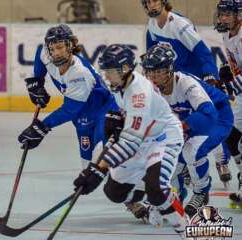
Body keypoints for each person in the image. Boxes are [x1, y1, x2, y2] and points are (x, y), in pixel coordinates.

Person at [72, 44, 187, 235]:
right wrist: (117, 124)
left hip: (163, 137)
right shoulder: (120, 85)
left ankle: (183, 226)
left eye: (110, 71)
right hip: (142, 138)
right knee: (114, 193)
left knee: (157, 190)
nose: (106, 76)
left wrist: (98, 170)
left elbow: (130, 143)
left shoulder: (139, 93)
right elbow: (129, 129)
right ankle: (152, 196)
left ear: (125, 69)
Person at [142, 0, 232, 189]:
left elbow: (203, 52)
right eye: (147, 2)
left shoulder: (179, 24)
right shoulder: (151, 25)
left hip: (194, 80)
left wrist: (210, 76)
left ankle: (221, 160)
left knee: (207, 120)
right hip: (172, 81)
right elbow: (150, 54)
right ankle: (184, 165)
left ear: (164, 2)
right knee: (182, 125)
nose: (151, 5)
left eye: (154, 1)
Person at [141, 44, 234, 217]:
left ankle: (201, 192)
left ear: (169, 70)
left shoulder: (186, 83)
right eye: (149, 71)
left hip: (218, 117)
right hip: (189, 120)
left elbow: (209, 113)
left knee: (192, 151)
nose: (152, 77)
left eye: (158, 71)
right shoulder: (151, 89)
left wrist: (182, 128)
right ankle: (176, 193)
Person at [17, 24, 115, 169]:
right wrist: (37, 82)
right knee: (86, 165)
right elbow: (40, 52)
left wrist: (42, 127)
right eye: (52, 48)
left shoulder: (80, 74)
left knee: (100, 157)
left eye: (60, 47)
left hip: (104, 110)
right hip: (82, 112)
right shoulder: (47, 54)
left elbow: (69, 110)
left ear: (71, 46)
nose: (56, 53)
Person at [214, 0, 242, 208]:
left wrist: (232, 85)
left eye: (227, 14)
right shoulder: (227, 34)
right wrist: (228, 72)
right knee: (232, 138)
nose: (223, 18)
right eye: (221, 14)